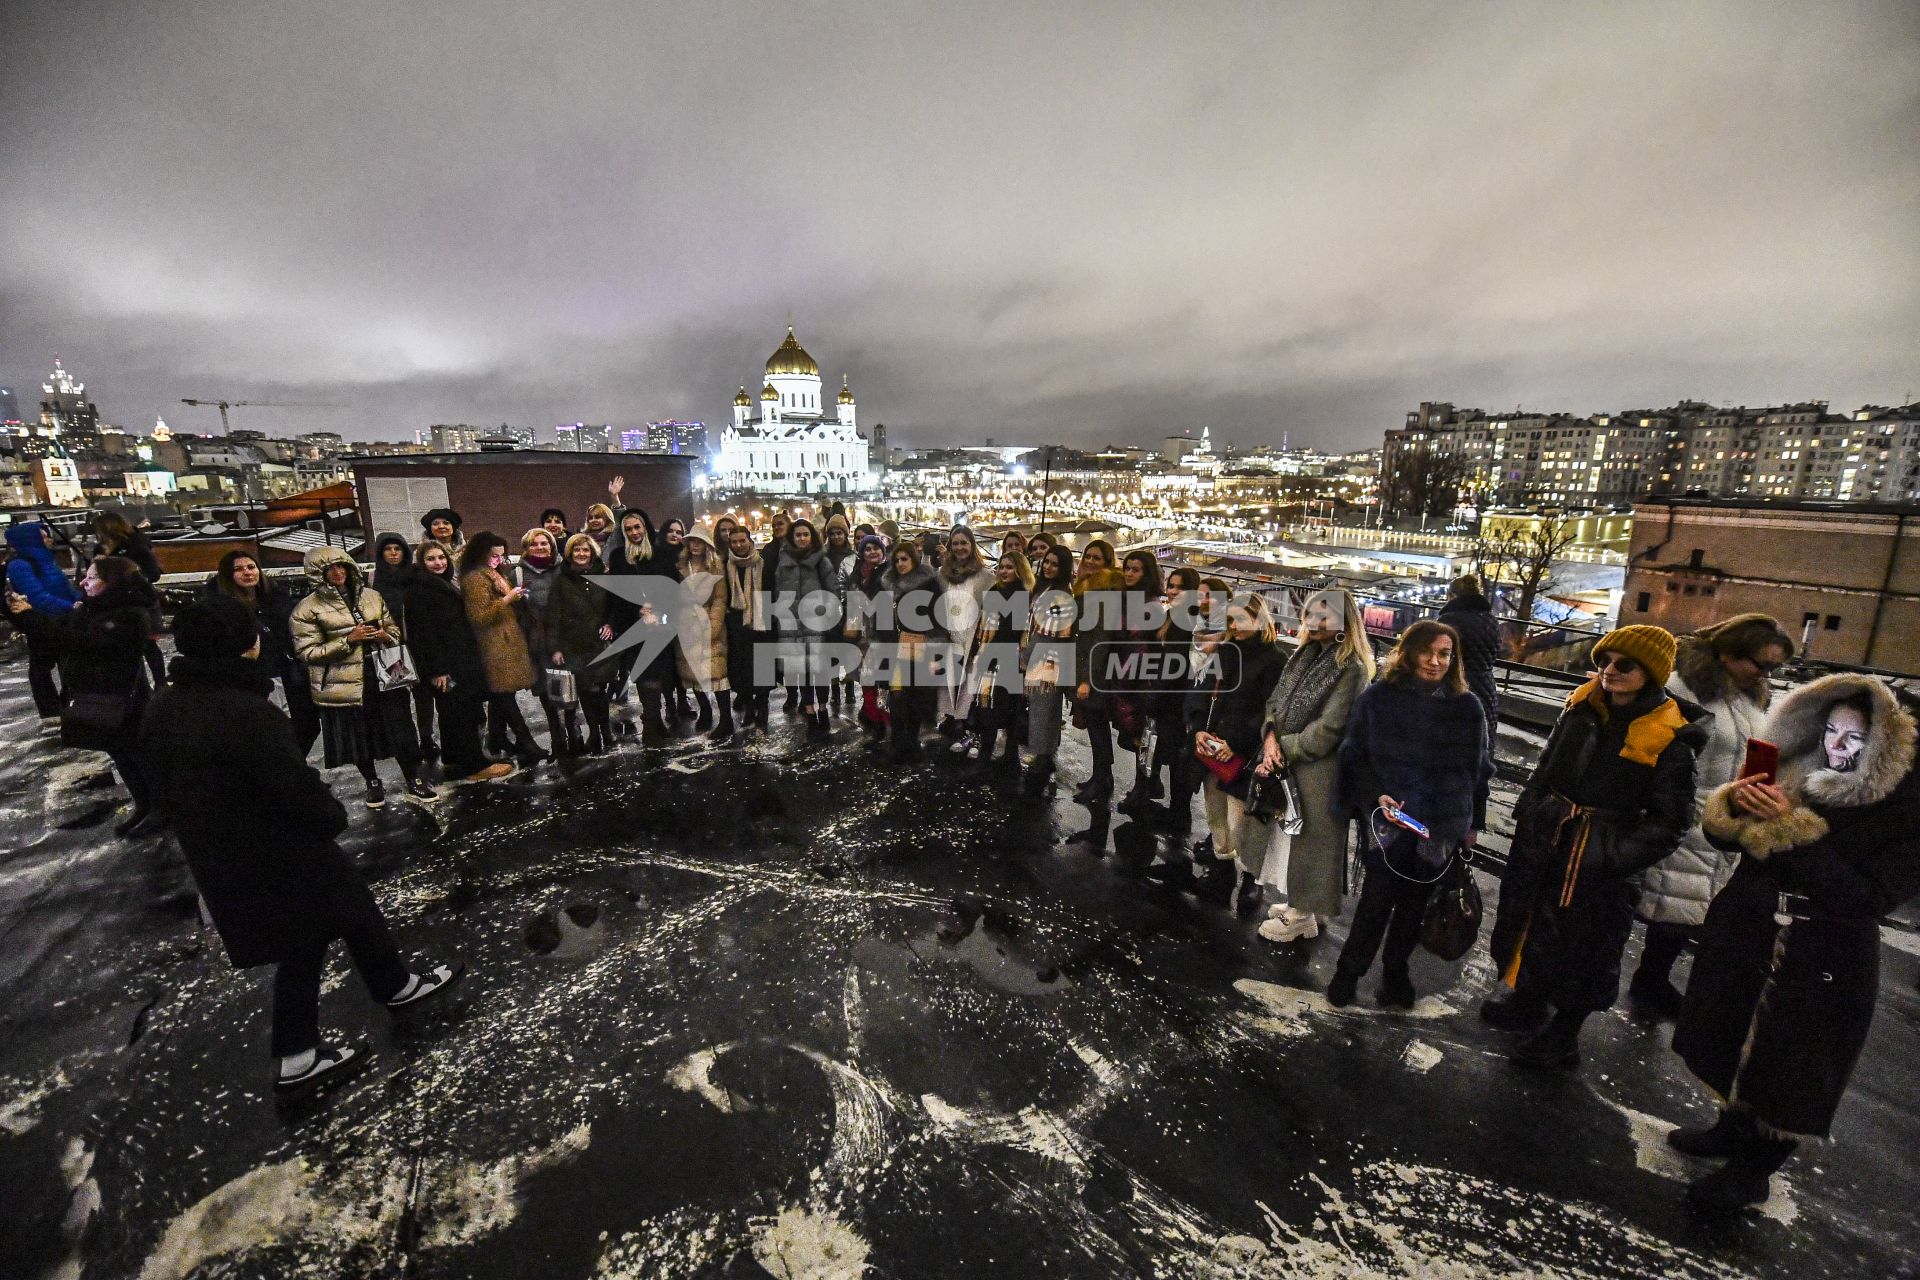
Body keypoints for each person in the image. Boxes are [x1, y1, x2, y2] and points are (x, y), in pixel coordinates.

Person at [140, 596, 465, 1097]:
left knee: (354, 911)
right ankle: (298, 1056)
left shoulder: (167, 703)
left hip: (223, 851)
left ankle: (396, 986)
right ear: (241, 644)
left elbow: (159, 784)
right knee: (304, 943)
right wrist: (329, 815)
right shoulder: (245, 711)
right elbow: (289, 785)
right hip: (280, 850)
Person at [1670, 673, 1920, 1215]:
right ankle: (1731, 1129)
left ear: (1884, 747)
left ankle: (1754, 1171)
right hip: (1752, 928)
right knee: (1731, 1028)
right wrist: (1735, 806)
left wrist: (1790, 828)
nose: (1836, 746)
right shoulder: (1800, 773)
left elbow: (1867, 896)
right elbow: (1722, 839)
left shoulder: (1903, 809)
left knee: (1795, 1063)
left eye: (1854, 739)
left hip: (1823, 954)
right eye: (1831, 730)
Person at [1482, 626, 1704, 1069]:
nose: (1609, 671)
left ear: (1653, 673)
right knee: (1531, 923)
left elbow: (1671, 821)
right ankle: (1529, 1000)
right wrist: (1532, 809)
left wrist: (1612, 857)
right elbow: (1548, 766)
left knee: (1588, 948)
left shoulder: (1670, 736)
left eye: (1625, 664)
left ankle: (1564, 1037)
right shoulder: (1582, 707)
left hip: (1601, 854)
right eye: (1605, 660)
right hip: (1552, 838)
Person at [1629, 613, 1794, 1017]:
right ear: (1726, 652)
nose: (1765, 674)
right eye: (1758, 663)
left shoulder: (1752, 695)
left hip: (1721, 817)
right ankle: (1607, 987)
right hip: (1679, 808)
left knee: (1686, 910)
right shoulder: (1682, 687)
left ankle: (1651, 982)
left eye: (1774, 667)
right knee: (1651, 902)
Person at [1326, 620, 1489, 1008]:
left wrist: (1473, 823)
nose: (1435, 662)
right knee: (1376, 903)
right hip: (1390, 822)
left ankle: (1396, 975)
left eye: (1445, 654)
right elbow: (1355, 756)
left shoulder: (1467, 707)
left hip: (1441, 823)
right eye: (1427, 651)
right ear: (1408, 652)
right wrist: (1375, 795)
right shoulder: (1379, 697)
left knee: (1416, 906)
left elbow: (1479, 769)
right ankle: (1348, 973)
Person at [1254, 588, 1375, 943]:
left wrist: (1282, 748)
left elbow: (1331, 728)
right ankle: (1299, 904)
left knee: (1310, 840)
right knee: (1291, 835)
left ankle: (1302, 915)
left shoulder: (1350, 667)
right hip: (1289, 760)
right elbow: (1275, 701)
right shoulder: (1305, 653)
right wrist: (1270, 736)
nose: (1315, 622)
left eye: (1325, 616)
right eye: (1311, 614)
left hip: (1320, 769)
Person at [7, 555, 160, 835]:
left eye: (92, 577)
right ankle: (144, 805)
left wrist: (28, 616)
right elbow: (57, 633)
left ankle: (161, 809)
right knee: (120, 753)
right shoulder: (92, 609)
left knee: (138, 754)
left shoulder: (128, 615)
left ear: (111, 582)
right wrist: (20, 613)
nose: (83, 581)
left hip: (123, 699)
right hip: (101, 696)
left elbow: (79, 642)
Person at [290, 545, 437, 807]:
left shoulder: (371, 595)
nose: (338, 573)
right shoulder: (307, 609)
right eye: (330, 569)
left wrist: (385, 635)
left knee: (402, 727)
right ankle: (371, 781)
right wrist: (348, 640)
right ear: (317, 574)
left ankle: (414, 778)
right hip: (344, 681)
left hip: (385, 671)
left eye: (342, 566)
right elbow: (307, 652)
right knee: (358, 736)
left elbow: (392, 627)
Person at [1187, 593, 1288, 907]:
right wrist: (1197, 728)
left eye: (1242, 619)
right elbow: (1201, 691)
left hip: (1243, 755)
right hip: (1213, 748)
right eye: (1231, 620)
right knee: (1215, 815)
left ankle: (1249, 879)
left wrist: (1238, 743)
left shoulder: (1274, 660)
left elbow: (1271, 712)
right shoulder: (1225, 652)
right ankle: (1222, 867)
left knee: (1241, 822)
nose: (1235, 626)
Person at [402, 541, 512, 783]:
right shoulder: (419, 591)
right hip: (446, 667)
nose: (438, 562)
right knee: (462, 714)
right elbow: (423, 635)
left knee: (453, 713)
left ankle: (454, 759)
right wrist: (437, 670)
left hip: (459, 662)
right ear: (421, 563)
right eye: (431, 559)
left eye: (441, 557)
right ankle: (473, 766)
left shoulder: (442, 583)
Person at [202, 549, 319, 755]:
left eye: (251, 567)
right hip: (251, 678)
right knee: (269, 732)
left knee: (307, 725)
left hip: (288, 672)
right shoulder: (218, 608)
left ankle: (294, 771)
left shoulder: (277, 597)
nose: (247, 573)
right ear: (227, 575)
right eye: (238, 569)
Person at [457, 534, 545, 762]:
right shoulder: (476, 578)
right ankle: (524, 739)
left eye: (501, 554)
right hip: (494, 643)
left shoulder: (492, 573)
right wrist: (507, 599)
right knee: (504, 692)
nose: (498, 559)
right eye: (493, 555)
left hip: (507, 639)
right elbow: (479, 616)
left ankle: (497, 737)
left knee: (504, 692)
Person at [603, 508, 681, 743]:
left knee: (657, 675)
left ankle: (653, 722)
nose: (634, 532)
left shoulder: (661, 554)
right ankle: (652, 725)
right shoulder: (618, 556)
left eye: (637, 527)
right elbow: (615, 592)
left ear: (645, 527)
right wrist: (614, 619)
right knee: (644, 675)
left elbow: (673, 586)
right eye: (628, 529)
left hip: (660, 623)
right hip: (631, 624)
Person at [960, 549, 1033, 776]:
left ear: (1020, 571)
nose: (1003, 571)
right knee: (988, 707)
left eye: (1010, 567)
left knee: (1008, 709)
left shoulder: (1023, 595)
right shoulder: (994, 591)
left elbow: (1014, 632)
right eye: (1001, 567)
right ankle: (989, 755)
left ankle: (1005, 758)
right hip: (991, 656)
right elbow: (983, 627)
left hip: (1010, 659)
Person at [547, 533, 618, 753]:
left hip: (599, 643)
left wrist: (610, 624)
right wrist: (555, 647)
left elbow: (614, 607)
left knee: (600, 689)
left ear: (592, 553)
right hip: (573, 644)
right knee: (587, 690)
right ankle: (595, 733)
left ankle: (606, 729)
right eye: (577, 550)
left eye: (585, 550)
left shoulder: (605, 576)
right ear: (570, 553)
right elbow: (553, 615)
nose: (581, 554)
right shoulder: (561, 579)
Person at [7, 520, 83, 721]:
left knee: (69, 660)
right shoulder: (20, 565)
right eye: (43, 536)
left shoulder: (47, 560)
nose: (49, 539)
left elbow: (64, 587)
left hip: (63, 618)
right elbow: (36, 595)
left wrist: (79, 601)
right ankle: (50, 710)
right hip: (40, 621)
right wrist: (70, 606)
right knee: (42, 664)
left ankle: (69, 702)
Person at [371, 533, 436, 760]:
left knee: (424, 693)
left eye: (397, 549)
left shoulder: (416, 575)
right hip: (390, 647)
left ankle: (426, 737)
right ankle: (407, 743)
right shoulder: (374, 580)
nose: (393, 553)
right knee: (398, 698)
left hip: (418, 644)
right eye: (388, 549)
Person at [1071, 540, 1126, 803]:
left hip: (1096, 671)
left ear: (1107, 563)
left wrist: (1087, 680)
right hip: (1089, 665)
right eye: (1087, 557)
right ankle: (1100, 777)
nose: (1090, 562)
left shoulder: (1104, 591)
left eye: (1097, 559)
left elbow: (1100, 638)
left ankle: (1102, 782)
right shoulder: (1089, 586)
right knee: (1096, 727)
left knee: (1098, 728)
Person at [772, 517, 837, 739]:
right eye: (798, 535)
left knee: (820, 671)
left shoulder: (822, 561)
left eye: (805, 534)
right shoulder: (783, 561)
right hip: (791, 626)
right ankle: (809, 711)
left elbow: (833, 592)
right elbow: (778, 593)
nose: (801, 538)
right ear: (792, 537)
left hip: (817, 625)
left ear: (812, 537)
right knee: (802, 671)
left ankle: (822, 709)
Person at [1110, 549, 1166, 808]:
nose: (1129, 573)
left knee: (1142, 738)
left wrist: (1128, 682)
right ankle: (1146, 784)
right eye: (1127, 568)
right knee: (1138, 737)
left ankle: (1141, 790)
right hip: (1126, 675)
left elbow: (1141, 649)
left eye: (1136, 569)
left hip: (1139, 681)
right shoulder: (1130, 600)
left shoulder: (1148, 605)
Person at [881, 539, 944, 762]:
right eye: (896, 560)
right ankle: (898, 742)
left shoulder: (929, 582)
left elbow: (939, 617)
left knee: (916, 696)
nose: (900, 563)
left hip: (920, 644)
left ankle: (912, 741)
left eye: (904, 559)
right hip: (896, 646)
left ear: (914, 559)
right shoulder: (889, 583)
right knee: (897, 695)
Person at [1021, 544, 1076, 795]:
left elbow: (1055, 635)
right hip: (1040, 652)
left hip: (1050, 655)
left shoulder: (1062, 594)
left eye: (1055, 563)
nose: (1048, 567)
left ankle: (1042, 758)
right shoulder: (1045, 589)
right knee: (1043, 707)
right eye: (1046, 562)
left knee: (1044, 708)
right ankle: (1044, 754)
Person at [93, 509, 167, 687]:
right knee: (125, 646)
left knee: (148, 643)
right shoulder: (100, 549)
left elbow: (153, 573)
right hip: (114, 603)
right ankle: (136, 685)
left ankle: (160, 684)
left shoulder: (136, 546)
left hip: (140, 601)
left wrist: (131, 578)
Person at [935, 526, 996, 739]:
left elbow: (991, 610)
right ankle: (950, 717)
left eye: (964, 543)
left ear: (972, 545)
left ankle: (962, 720)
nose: (960, 548)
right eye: (956, 543)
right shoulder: (943, 574)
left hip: (972, 635)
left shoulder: (985, 575)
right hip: (948, 633)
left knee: (967, 681)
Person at [514, 527, 569, 752]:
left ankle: (570, 725)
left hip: (563, 635)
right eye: (534, 544)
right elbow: (518, 608)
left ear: (552, 546)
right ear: (527, 548)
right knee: (545, 687)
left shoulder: (563, 569)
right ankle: (556, 729)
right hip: (535, 639)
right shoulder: (518, 574)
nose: (539, 547)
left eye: (544, 543)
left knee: (567, 683)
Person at [676, 526, 733, 742]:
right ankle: (705, 710)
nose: (694, 545)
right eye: (691, 541)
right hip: (686, 624)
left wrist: (713, 625)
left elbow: (720, 598)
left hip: (710, 622)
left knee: (717, 673)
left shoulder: (715, 566)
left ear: (707, 544)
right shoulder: (681, 565)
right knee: (692, 671)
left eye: (699, 541)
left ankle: (726, 719)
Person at [1438, 573, 1501, 754]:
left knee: (1450, 742)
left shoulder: (1448, 621)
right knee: (1481, 737)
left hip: (1455, 684)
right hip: (1486, 685)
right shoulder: (1491, 620)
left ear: (1452, 595)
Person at [724, 523, 774, 738]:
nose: (738, 545)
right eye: (734, 542)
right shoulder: (727, 566)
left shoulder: (764, 564)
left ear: (750, 541)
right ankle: (749, 708)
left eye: (742, 540)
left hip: (762, 623)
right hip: (737, 625)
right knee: (742, 669)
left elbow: (773, 592)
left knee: (763, 668)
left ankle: (762, 708)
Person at [846, 533, 892, 744]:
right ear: (861, 553)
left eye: (876, 548)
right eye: (867, 548)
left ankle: (887, 724)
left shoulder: (890, 573)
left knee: (885, 684)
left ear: (883, 551)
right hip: (863, 637)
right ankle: (875, 723)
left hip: (885, 638)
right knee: (867, 683)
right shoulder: (856, 575)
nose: (872, 551)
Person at [822, 514, 859, 713]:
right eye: (832, 533)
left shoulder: (853, 556)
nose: (836, 537)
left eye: (840, 533)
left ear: (846, 535)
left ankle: (850, 688)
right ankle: (834, 688)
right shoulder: (823, 556)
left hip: (849, 609)